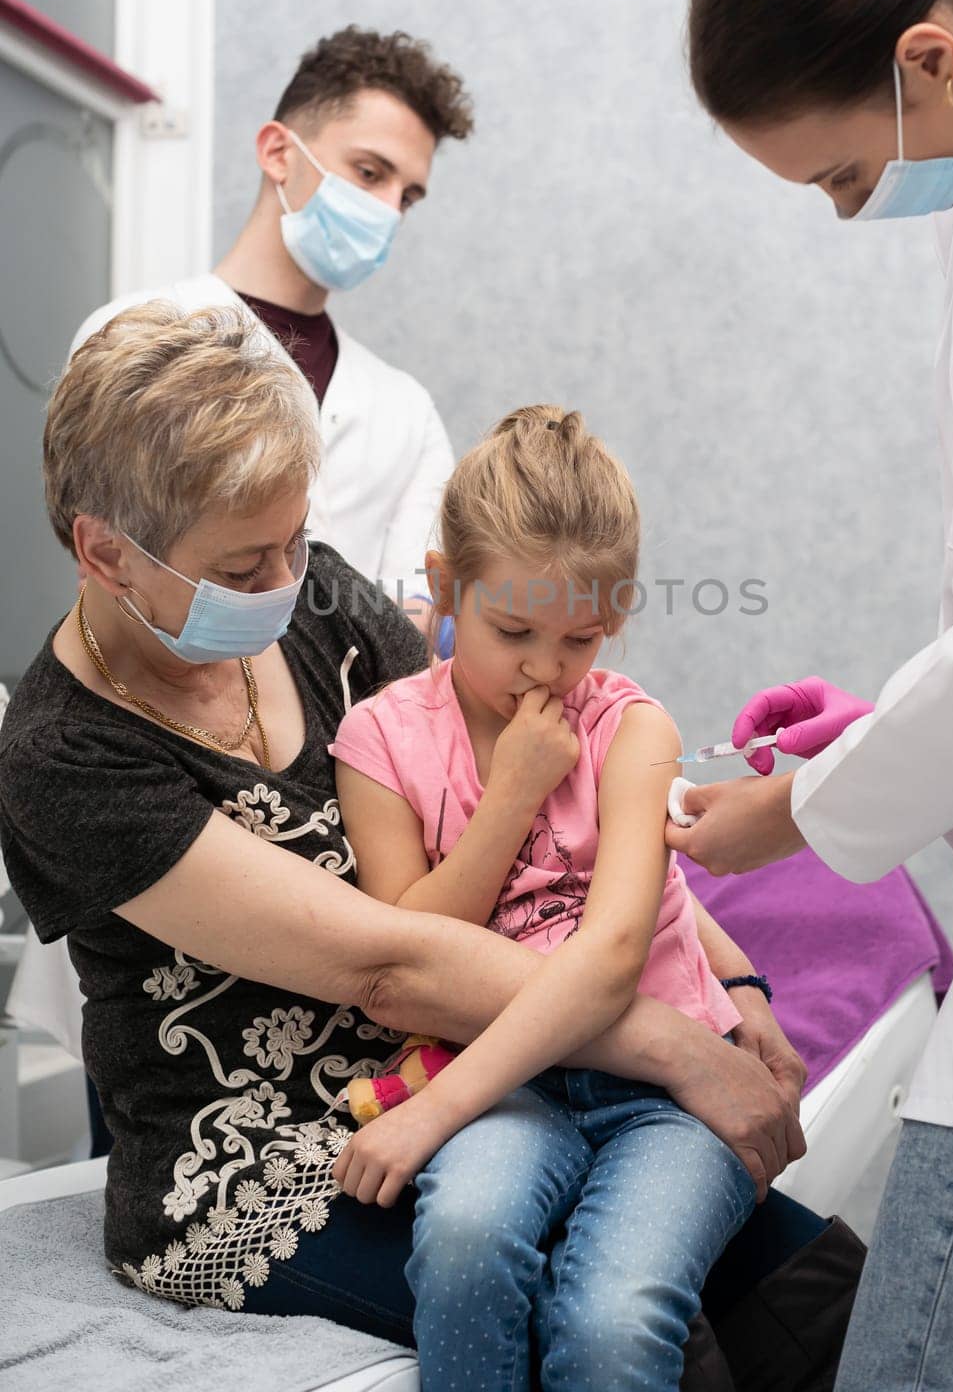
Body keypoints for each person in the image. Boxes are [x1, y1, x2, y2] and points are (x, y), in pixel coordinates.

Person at [0, 301, 859, 1386]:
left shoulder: (313, 603)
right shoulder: (61, 755)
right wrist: (675, 1045)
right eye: (242, 563)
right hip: (269, 1159)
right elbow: (386, 962)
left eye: (292, 540)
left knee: (818, 1286)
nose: (282, 580)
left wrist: (735, 992)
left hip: (487, 1067)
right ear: (105, 551)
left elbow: (561, 830)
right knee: (603, 1315)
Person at [672, 0, 953, 1390]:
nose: (849, 216)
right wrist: (887, 734)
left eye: (837, 179)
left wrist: (796, 812)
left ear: (921, 59)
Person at [328, 407, 804, 1390]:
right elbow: (411, 956)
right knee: (463, 1242)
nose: (546, 668)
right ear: (442, 585)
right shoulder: (381, 743)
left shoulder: (632, 730)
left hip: (667, 1099)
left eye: (578, 637)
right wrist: (508, 799)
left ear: (617, 613)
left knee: (612, 1319)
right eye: (512, 631)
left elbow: (612, 952)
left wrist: (428, 1116)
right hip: (505, 1087)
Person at [71, 25, 471, 604]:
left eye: (406, 197)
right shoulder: (134, 337)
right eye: (369, 173)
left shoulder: (406, 410)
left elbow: (411, 623)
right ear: (279, 152)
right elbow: (114, 592)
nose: (388, 211)